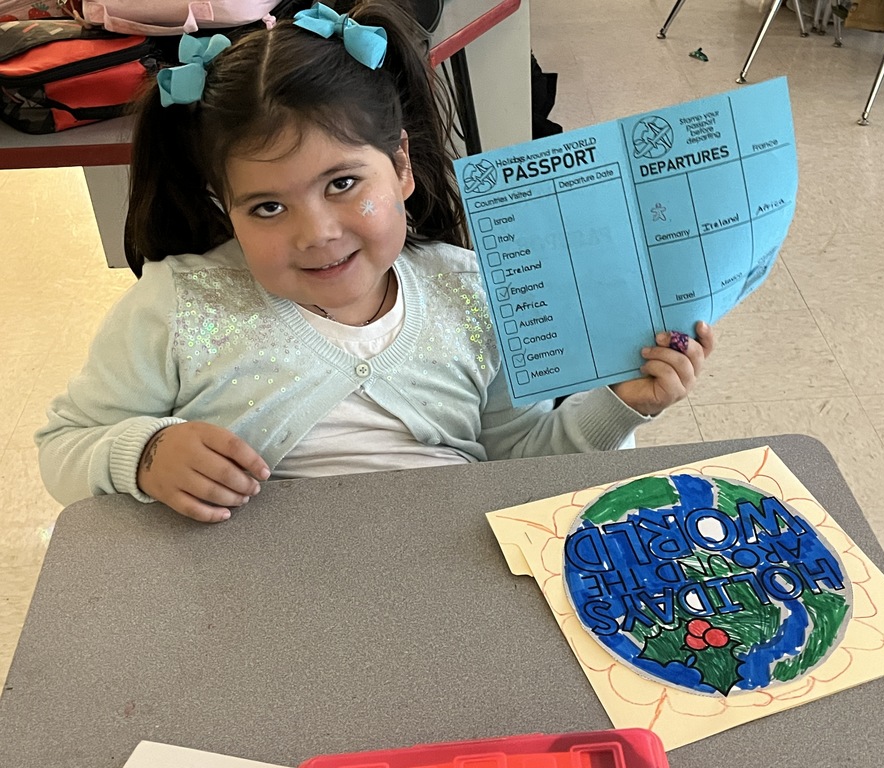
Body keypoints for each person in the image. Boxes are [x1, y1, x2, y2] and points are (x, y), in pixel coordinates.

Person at [35, 1, 715, 524]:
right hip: (244, 606)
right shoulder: (176, 306)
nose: (317, 233)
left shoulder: (473, 292)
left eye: (342, 184)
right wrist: (145, 455)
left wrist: (622, 408)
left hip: (452, 579)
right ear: (225, 206)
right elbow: (63, 446)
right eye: (267, 208)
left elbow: (517, 459)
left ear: (400, 165)